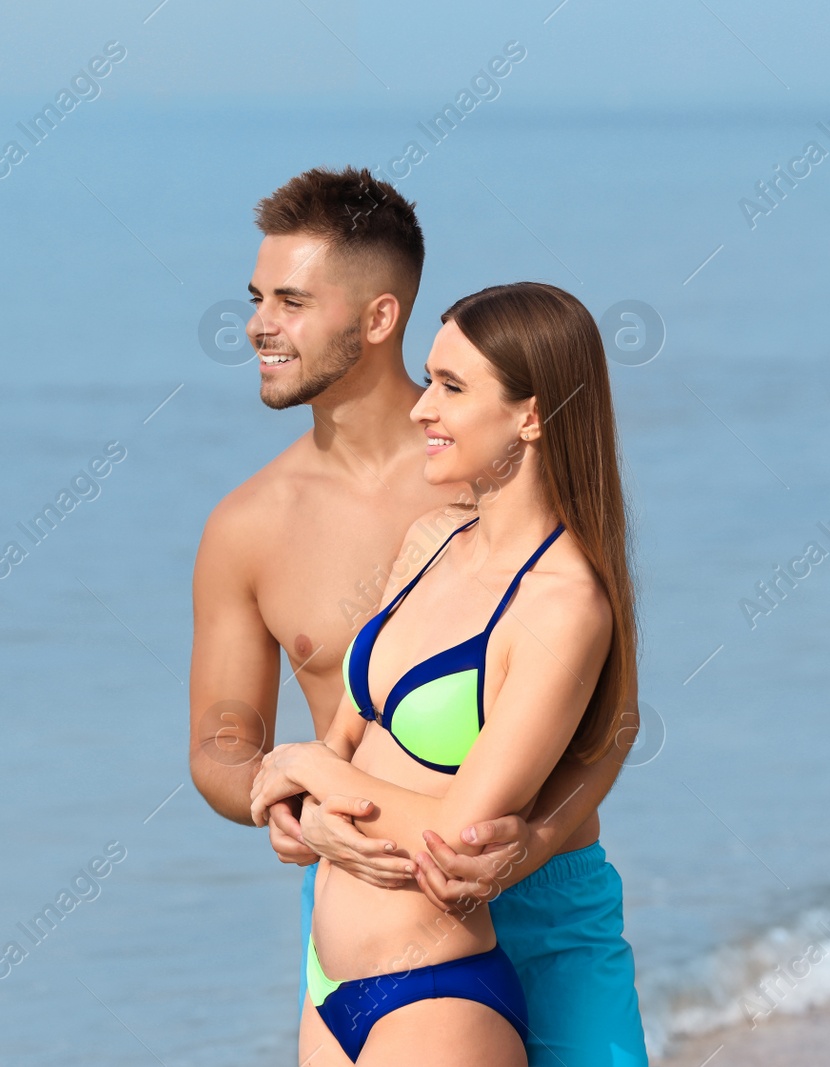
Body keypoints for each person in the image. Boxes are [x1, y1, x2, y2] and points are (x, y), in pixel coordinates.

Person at [188, 166, 649, 1066]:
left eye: (290, 300)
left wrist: (535, 838)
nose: (256, 325)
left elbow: (612, 717)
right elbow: (221, 739)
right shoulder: (247, 526)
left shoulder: (489, 465)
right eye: (256, 297)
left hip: (540, 896)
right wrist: (279, 800)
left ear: (377, 316)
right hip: (367, 889)